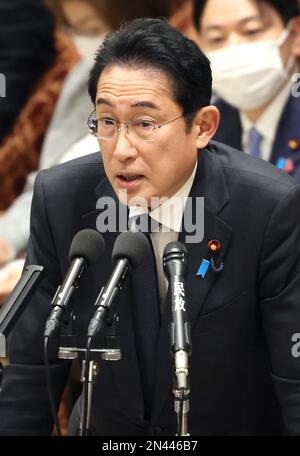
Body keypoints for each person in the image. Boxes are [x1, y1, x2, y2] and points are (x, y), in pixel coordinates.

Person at [0, 17, 300, 436]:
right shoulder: (63, 199)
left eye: (145, 124)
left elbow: (294, 384)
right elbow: (32, 371)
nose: (122, 149)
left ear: (203, 126)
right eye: (107, 122)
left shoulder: (270, 209)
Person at [193, 0, 300, 181]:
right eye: (217, 38)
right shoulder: (206, 130)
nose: (233, 48)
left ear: (295, 34)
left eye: (252, 31)